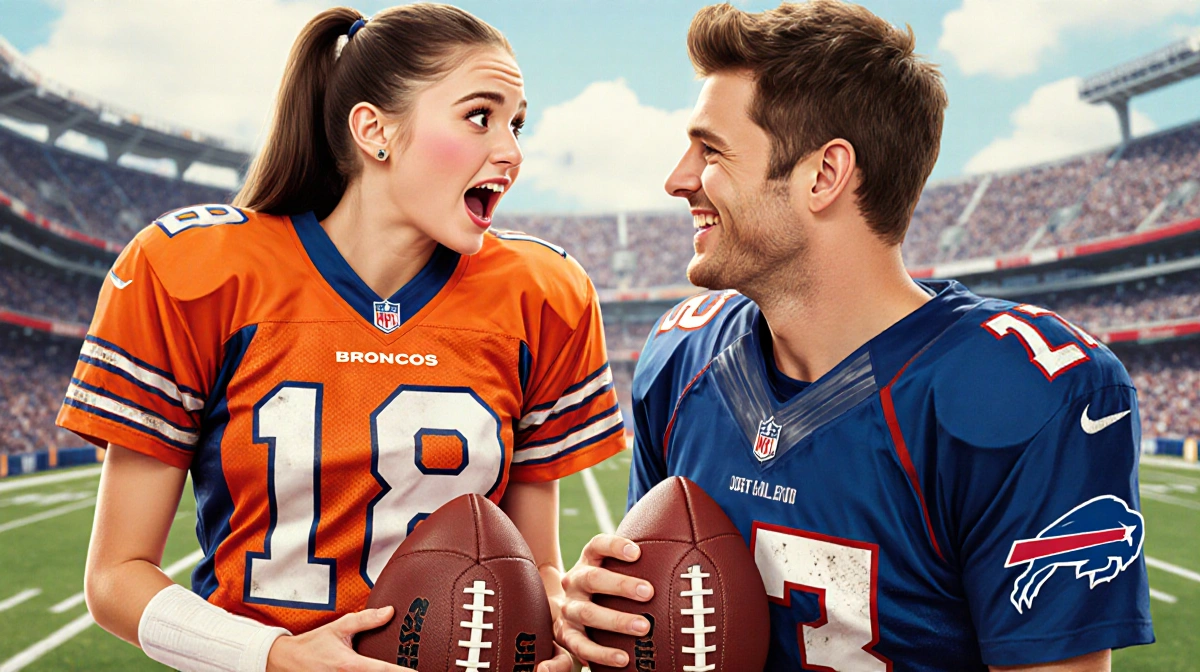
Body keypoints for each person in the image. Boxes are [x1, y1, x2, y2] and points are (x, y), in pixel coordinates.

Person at [555, 2, 1153, 670]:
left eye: (712, 150)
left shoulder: (1018, 389)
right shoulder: (683, 357)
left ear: (824, 175)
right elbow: (659, 613)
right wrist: (609, 616)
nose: (677, 179)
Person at [57, 5, 622, 671]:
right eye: (480, 116)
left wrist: (558, 627)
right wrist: (277, 656)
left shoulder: (541, 292)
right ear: (373, 129)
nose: (511, 151)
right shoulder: (196, 268)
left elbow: (534, 565)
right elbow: (115, 577)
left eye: (516, 123)